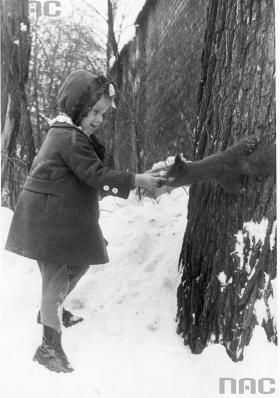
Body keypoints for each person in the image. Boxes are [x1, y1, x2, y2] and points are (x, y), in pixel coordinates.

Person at [5, 70, 164, 373]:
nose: (100, 119)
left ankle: (49, 310)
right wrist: (136, 179)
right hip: (46, 220)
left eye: (104, 113)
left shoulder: (70, 134)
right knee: (55, 277)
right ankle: (49, 347)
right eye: (94, 112)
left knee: (78, 264)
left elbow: (80, 182)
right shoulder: (69, 137)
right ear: (77, 108)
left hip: (55, 216)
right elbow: (95, 175)